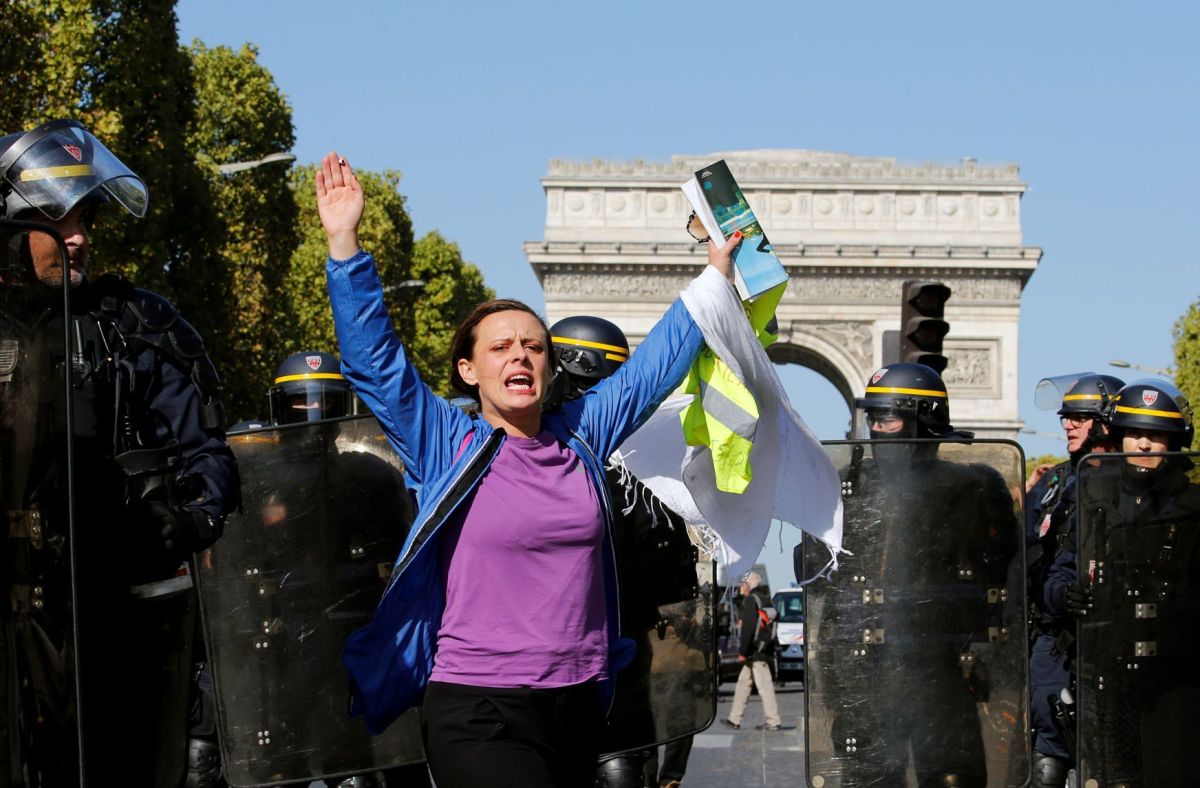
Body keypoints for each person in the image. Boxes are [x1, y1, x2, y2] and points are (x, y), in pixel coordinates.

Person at [317, 152, 740, 787]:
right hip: (477, 706)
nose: (520, 355)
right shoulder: (444, 440)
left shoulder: (584, 435)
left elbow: (653, 368)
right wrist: (344, 244)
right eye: (501, 346)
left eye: (533, 346)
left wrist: (715, 275)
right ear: (468, 370)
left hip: (578, 703)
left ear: (548, 367)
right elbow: (374, 363)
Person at [0, 119, 239, 784]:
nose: (76, 237)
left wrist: (179, 519)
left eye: (83, 219)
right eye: (56, 219)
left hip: (119, 613)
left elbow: (207, 454)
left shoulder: (135, 327)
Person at [804, 362, 1022, 787]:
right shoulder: (849, 484)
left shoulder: (973, 487)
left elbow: (1003, 578)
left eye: (888, 417)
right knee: (870, 778)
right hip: (865, 669)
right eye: (873, 417)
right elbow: (826, 580)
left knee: (951, 777)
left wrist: (990, 658)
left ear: (923, 417)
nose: (876, 428)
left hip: (942, 668)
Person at [549, 316, 705, 788]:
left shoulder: (528, 443)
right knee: (621, 756)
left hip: (561, 639)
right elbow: (670, 568)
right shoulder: (643, 462)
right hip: (622, 636)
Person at [1059, 380, 1200, 786]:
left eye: (1156, 435)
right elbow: (1062, 566)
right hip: (1105, 672)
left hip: (1175, 679)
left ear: (1176, 443)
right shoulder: (1091, 498)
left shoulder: (1194, 506)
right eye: (1134, 433)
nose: (1143, 444)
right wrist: (1064, 593)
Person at [1023, 373, 1122, 786]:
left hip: (1117, 635)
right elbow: (1023, 558)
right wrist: (1058, 593)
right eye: (1066, 416)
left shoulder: (1136, 479)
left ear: (1107, 422)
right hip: (1055, 637)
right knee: (1048, 749)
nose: (1068, 424)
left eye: (1080, 417)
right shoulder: (1053, 483)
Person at [722, 571, 782, 731]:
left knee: (764, 686)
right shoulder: (765, 599)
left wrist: (743, 651)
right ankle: (734, 719)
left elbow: (747, 629)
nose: (740, 586)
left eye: (743, 583)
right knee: (743, 684)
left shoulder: (751, 600)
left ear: (748, 585)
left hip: (756, 652)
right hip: (763, 648)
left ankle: (773, 721)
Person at [267, 350, 355, 424]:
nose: (316, 407)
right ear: (283, 407)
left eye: (326, 402)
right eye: (304, 401)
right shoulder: (262, 439)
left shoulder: (357, 439)